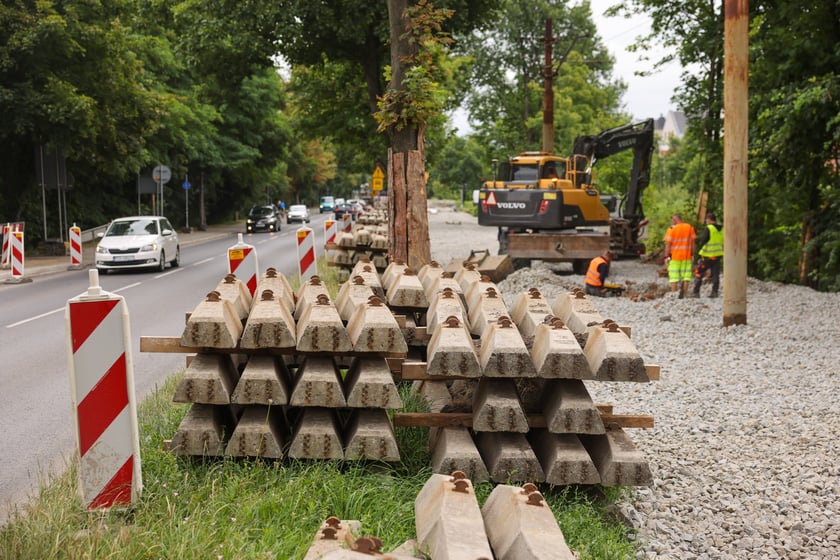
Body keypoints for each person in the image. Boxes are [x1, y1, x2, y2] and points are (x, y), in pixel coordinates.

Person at [664, 213, 696, 298]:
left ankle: (674, 294)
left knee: (674, 276)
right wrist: (692, 253)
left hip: (675, 257)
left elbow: (668, 244)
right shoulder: (689, 227)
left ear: (674, 220)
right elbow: (693, 242)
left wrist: (666, 256)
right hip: (687, 256)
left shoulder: (671, 229)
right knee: (686, 276)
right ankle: (684, 294)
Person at [693, 211, 723, 298]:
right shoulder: (721, 229)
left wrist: (698, 253)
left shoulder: (709, 228)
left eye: (706, 219)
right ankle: (714, 292)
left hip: (707, 256)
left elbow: (703, 241)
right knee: (715, 274)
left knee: (699, 272)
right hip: (717, 255)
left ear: (709, 220)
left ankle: (696, 293)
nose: (706, 221)